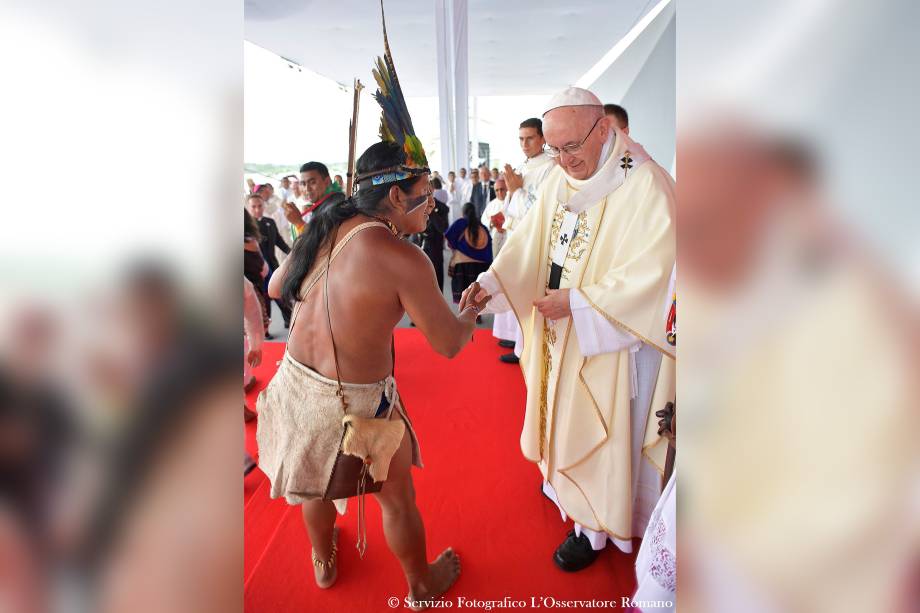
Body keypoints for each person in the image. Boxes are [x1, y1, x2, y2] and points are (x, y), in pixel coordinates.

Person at [261, 138, 487, 600]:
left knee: (313, 490)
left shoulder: (326, 225)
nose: (431, 203)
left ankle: (324, 563)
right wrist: (467, 316)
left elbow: (275, 284)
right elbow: (447, 343)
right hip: (356, 407)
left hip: (295, 387)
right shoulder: (403, 256)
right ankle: (420, 584)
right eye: (424, 191)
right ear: (395, 196)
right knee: (398, 499)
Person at [462, 87, 675, 571]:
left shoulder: (646, 185)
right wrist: (491, 280)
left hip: (612, 342)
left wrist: (579, 304)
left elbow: (656, 274)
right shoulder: (563, 180)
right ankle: (565, 490)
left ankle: (595, 530)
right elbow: (528, 241)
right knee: (557, 420)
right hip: (560, 330)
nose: (562, 160)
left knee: (602, 431)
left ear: (604, 130)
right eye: (554, 149)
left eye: (571, 146)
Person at [495, 117, 555, 363]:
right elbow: (515, 206)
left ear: (542, 138)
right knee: (516, 289)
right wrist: (511, 195)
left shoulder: (550, 168)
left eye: (530, 138)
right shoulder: (525, 165)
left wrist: (517, 191)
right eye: (521, 138)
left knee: (529, 293)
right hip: (517, 237)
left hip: (535, 240)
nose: (525, 143)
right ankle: (517, 339)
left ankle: (526, 349)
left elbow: (539, 210)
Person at [247, 193, 293, 328]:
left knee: (280, 294)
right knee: (265, 300)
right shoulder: (245, 228)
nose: (257, 209)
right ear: (248, 208)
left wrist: (293, 253)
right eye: (253, 207)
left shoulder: (270, 222)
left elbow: (279, 241)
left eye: (259, 206)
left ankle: (288, 320)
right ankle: (265, 329)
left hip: (273, 265)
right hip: (256, 271)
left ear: (264, 205)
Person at [446, 202, 493, 304]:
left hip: (462, 265)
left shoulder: (461, 223)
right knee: (476, 291)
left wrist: (456, 248)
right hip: (481, 265)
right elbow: (489, 244)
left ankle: (464, 315)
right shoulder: (482, 227)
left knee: (463, 293)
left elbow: (449, 239)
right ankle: (477, 314)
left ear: (463, 213)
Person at [419, 178, 450, 291]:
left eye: (429, 188)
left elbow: (443, 228)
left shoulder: (442, 208)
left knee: (436, 279)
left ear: (433, 189)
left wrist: (431, 212)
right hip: (418, 246)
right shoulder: (416, 206)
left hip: (435, 247)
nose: (427, 191)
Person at [480, 177, 509, 257]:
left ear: (507, 188)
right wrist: (491, 223)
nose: (499, 192)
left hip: (509, 239)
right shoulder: (491, 205)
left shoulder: (513, 201)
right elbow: (483, 220)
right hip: (495, 239)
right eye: (497, 190)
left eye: (502, 189)